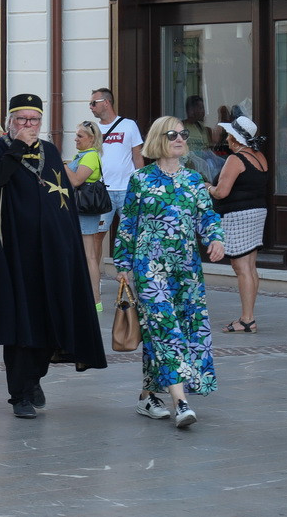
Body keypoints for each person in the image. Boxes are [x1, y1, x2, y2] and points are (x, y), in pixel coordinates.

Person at [0, 94, 107, 419]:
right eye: (21, 119)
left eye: (33, 120)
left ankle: (35, 377)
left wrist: (68, 245)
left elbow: (63, 198)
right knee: (20, 327)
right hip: (15, 254)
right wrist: (17, 149)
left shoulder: (50, 151)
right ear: (10, 122)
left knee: (51, 319)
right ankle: (19, 394)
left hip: (52, 251)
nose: (28, 125)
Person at [115, 116, 225, 429]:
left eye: (183, 134)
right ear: (158, 139)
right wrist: (122, 265)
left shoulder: (193, 179)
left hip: (186, 269)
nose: (179, 139)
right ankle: (181, 403)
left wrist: (215, 238)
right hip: (149, 267)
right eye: (172, 134)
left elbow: (207, 216)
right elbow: (128, 223)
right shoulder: (141, 179)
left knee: (171, 330)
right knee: (166, 328)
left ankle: (147, 396)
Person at [206, 115, 268, 333]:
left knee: (241, 268)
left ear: (235, 139)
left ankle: (247, 319)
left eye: (229, 135)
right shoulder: (259, 156)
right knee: (249, 266)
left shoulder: (236, 159)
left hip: (238, 216)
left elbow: (221, 192)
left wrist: (207, 187)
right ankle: (248, 316)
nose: (226, 139)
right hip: (257, 212)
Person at [89, 87, 144, 240]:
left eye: (93, 103)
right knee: (97, 235)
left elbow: (137, 156)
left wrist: (141, 185)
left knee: (133, 234)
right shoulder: (93, 129)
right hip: (102, 191)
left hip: (127, 189)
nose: (91, 107)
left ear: (106, 102)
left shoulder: (129, 125)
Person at [64, 121, 105, 310]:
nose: (76, 139)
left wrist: (63, 165)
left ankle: (95, 299)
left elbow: (76, 180)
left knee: (89, 256)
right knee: (84, 254)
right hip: (80, 210)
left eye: (80, 136)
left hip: (85, 211)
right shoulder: (83, 155)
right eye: (76, 135)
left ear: (91, 138)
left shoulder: (90, 156)